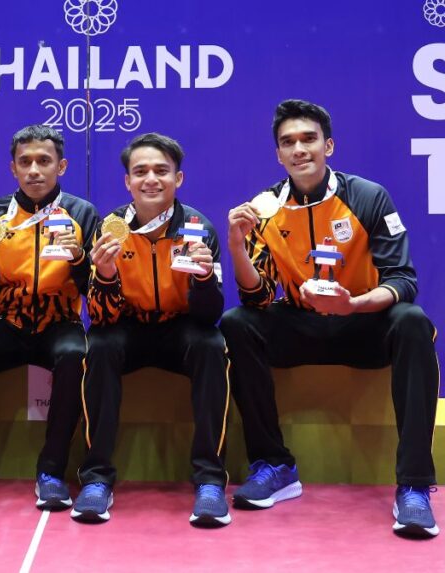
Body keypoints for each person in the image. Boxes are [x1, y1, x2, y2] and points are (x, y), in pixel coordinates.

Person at [221, 99, 439, 538]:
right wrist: (237, 247)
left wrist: (352, 304)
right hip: (302, 323)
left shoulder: (368, 196)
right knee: (237, 323)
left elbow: (402, 279)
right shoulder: (264, 208)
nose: (299, 149)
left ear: (329, 146)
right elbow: (257, 296)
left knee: (413, 320)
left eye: (309, 139)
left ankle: (414, 486)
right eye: (288, 142)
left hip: (363, 323)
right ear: (278, 154)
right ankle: (275, 465)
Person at [72, 133, 231, 525]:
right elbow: (101, 317)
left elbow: (209, 315)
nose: (151, 179)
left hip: (181, 329)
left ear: (179, 178)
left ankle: (210, 480)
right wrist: (105, 274)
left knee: (212, 345)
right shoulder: (110, 230)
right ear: (127, 181)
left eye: (162, 170)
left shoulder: (198, 228)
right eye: (140, 171)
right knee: (99, 345)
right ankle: (96, 479)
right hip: (128, 328)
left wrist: (204, 279)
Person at [0, 124, 98, 510]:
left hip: (59, 323)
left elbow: (96, 291)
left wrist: (79, 257)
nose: (34, 170)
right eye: (24, 162)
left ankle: (51, 472)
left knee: (74, 355)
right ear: (12, 168)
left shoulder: (82, 213)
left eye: (44, 161)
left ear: (61, 166)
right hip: (4, 322)